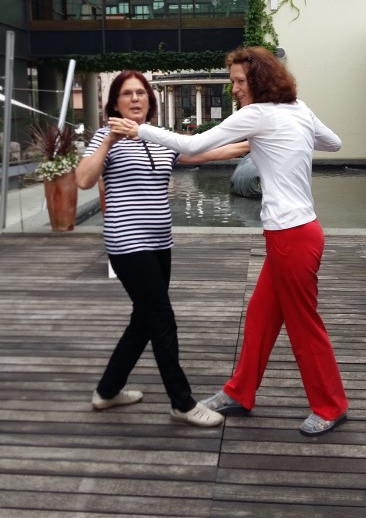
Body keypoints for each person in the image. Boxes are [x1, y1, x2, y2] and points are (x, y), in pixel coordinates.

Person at [109, 47, 349, 437]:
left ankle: (330, 406)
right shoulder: (298, 109)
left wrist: (140, 130)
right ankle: (240, 392)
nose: (234, 88)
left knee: (304, 326)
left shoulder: (257, 114)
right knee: (259, 317)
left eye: (239, 81)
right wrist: (292, 139)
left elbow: (192, 146)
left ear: (259, 80)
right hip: (298, 233)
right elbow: (334, 143)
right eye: (233, 80)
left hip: (291, 237)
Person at [76, 70, 248, 428]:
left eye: (141, 93)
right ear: (115, 102)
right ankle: (181, 402)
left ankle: (107, 391)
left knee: (144, 319)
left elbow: (203, 153)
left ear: (149, 100)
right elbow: (84, 179)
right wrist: (110, 139)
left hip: (159, 243)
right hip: (127, 244)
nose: (135, 99)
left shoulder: (157, 138)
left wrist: (254, 142)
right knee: (162, 319)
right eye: (127, 93)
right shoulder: (104, 138)